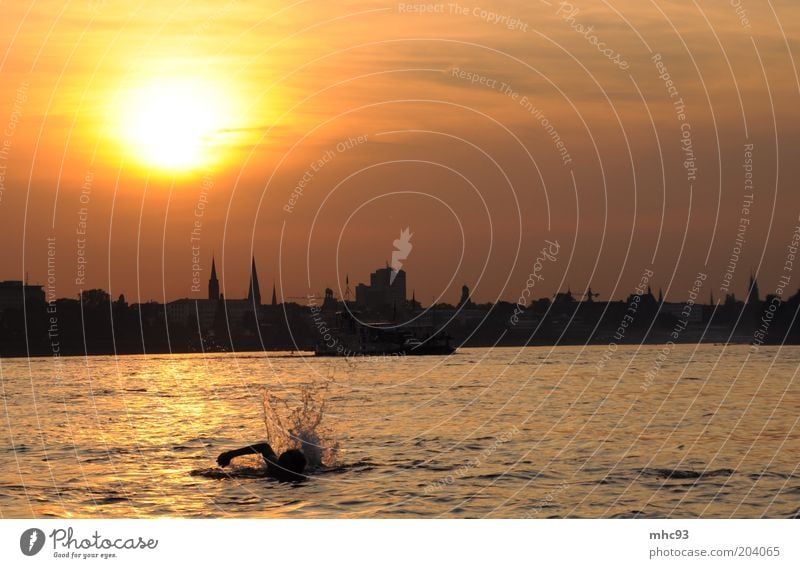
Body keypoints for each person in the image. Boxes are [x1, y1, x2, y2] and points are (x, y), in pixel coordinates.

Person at [217, 442, 307, 482]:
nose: (285, 452)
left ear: (289, 464)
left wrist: (230, 454)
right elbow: (264, 447)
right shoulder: (277, 464)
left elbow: (264, 447)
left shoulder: (278, 468)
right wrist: (231, 454)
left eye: (289, 454)